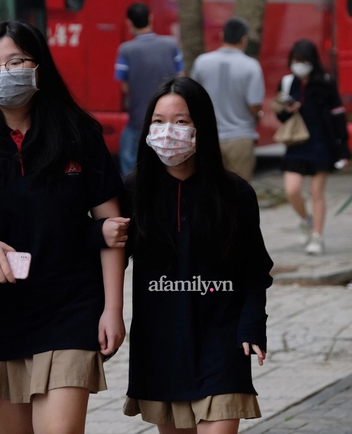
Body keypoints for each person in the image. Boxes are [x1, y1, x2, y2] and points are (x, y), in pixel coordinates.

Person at [0, 21, 127, 434]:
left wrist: (113, 310)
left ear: (38, 67)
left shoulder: (78, 133)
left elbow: (112, 227)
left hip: (69, 306)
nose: (3, 72)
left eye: (15, 61)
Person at [122, 77, 273, 433]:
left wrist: (253, 325)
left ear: (200, 126)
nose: (167, 131)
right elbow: (105, 259)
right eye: (158, 122)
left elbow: (255, 270)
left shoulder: (235, 193)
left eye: (181, 121)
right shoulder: (132, 191)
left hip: (222, 342)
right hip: (160, 343)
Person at [274, 39, 350, 255]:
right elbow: (280, 115)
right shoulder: (287, 83)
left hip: (322, 144)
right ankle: (305, 220)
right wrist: (288, 110)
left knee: (317, 192)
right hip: (297, 143)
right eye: (296, 60)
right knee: (292, 190)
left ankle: (317, 236)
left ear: (313, 61)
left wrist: (343, 149)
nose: (299, 64)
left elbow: (337, 115)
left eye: (303, 60)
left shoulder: (325, 82)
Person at [191, 17, 265, 183]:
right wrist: (258, 116)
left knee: (209, 189)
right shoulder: (251, 66)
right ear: (244, 39)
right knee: (240, 192)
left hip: (207, 136)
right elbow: (254, 105)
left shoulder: (202, 62)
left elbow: (192, 96)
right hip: (240, 137)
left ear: (222, 35)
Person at [114, 2, 183, 176]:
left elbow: (124, 86)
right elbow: (181, 77)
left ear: (129, 23)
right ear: (151, 18)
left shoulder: (125, 50)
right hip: (169, 119)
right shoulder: (171, 44)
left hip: (138, 120)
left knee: (129, 160)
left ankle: (132, 198)